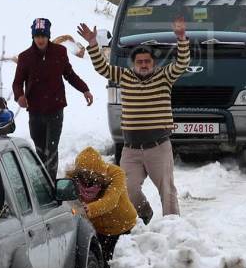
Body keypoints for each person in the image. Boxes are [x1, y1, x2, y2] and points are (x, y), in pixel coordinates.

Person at [78, 16, 190, 223]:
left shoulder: (165, 76)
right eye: (140, 62)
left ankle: (173, 226)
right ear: (133, 64)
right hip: (131, 149)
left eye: (147, 61)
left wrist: (181, 38)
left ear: (153, 63)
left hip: (158, 146)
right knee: (127, 189)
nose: (144, 65)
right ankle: (144, 214)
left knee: (167, 189)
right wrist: (93, 44)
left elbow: (182, 62)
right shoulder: (124, 76)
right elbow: (102, 68)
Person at [12, 18, 94, 178]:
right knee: (40, 148)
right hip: (35, 110)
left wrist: (85, 89)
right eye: (37, 36)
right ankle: (41, 180)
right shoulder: (25, 57)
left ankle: (50, 183)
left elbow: (69, 75)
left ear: (48, 36)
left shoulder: (59, 52)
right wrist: (19, 96)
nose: (40, 39)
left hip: (55, 109)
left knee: (51, 148)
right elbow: (17, 83)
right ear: (33, 37)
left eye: (43, 36)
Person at [66, 147, 137, 268]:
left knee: (120, 267)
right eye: (83, 175)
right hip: (97, 229)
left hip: (122, 227)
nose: (87, 179)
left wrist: (88, 209)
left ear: (100, 172)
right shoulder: (72, 180)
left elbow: (111, 201)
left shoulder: (116, 174)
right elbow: (68, 200)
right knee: (100, 265)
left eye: (92, 176)